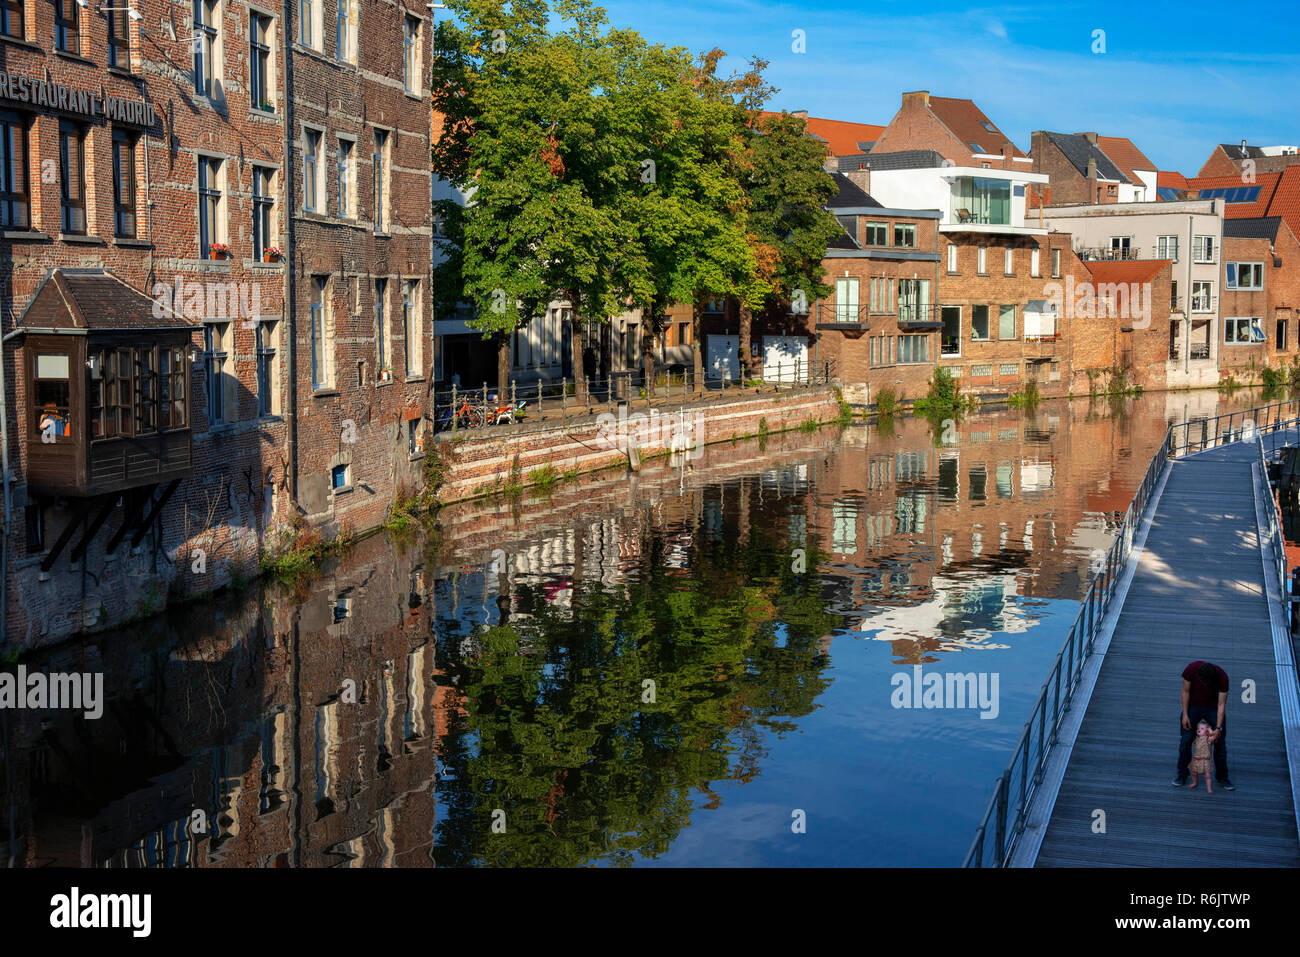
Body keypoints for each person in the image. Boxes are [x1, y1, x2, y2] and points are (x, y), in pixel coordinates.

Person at [1173, 660, 1234, 790]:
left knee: (1220, 742)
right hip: (1193, 706)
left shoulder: (1222, 677)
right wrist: (1185, 714)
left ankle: (1223, 777)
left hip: (1213, 707)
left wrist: (1218, 728)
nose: (1205, 685)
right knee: (1186, 740)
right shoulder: (1190, 670)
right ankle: (1182, 774)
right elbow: (1185, 692)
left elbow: (1221, 704)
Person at [1188, 719, 1220, 793]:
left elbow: (1214, 735)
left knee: (1207, 776)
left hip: (1205, 760)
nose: (1199, 730)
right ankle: (1195, 783)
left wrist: (1210, 730)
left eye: (1202, 729)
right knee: (1194, 773)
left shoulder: (1208, 739)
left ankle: (1209, 788)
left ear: (1207, 731)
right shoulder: (1196, 738)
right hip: (1196, 759)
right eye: (1198, 728)